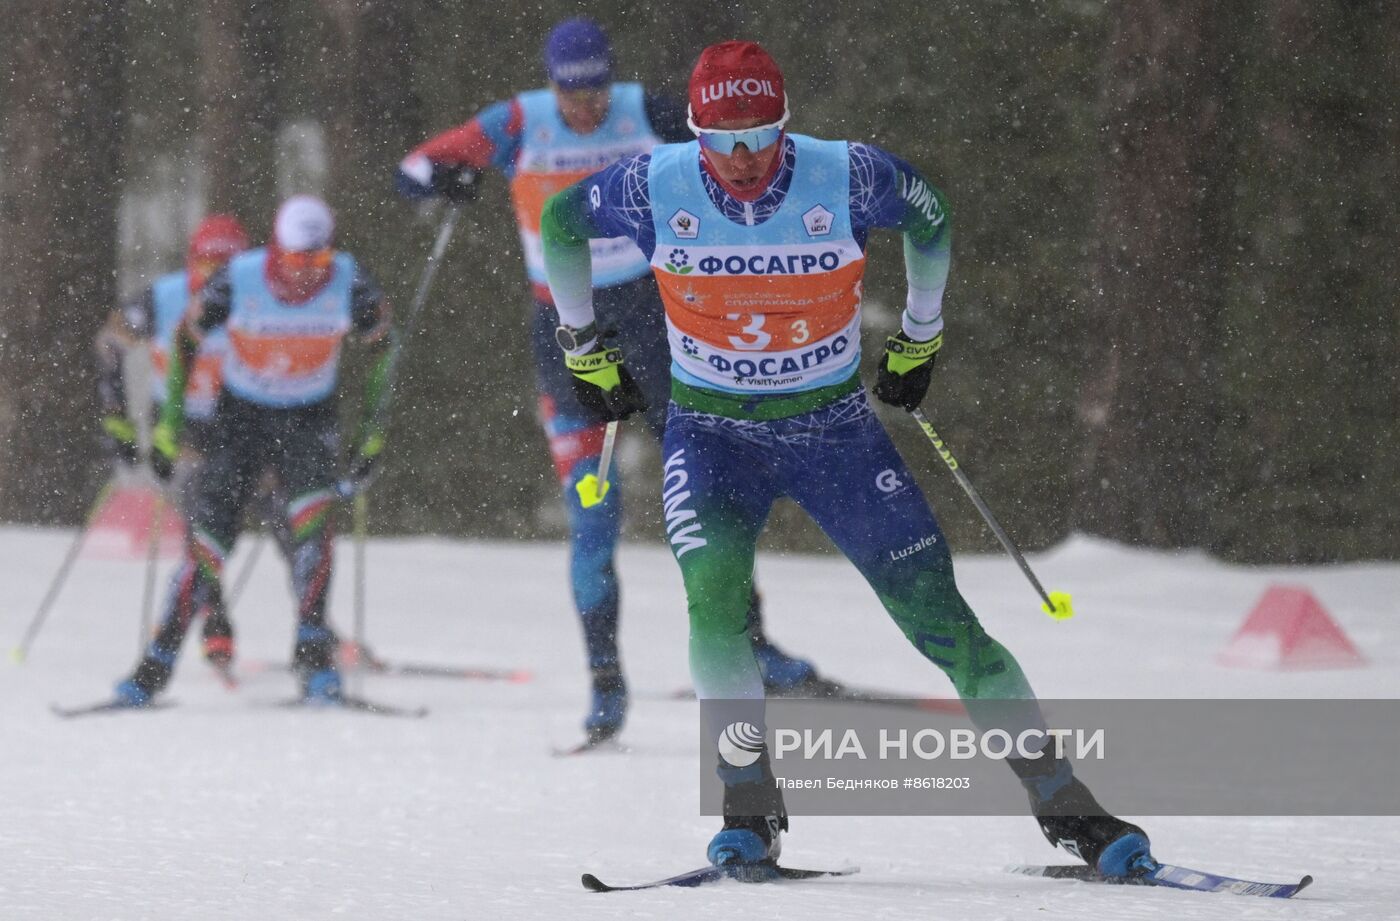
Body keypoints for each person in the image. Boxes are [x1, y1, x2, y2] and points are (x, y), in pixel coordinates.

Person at [540, 40, 1152, 876]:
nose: (745, 156)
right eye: (724, 139)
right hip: (713, 436)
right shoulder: (656, 183)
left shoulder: (849, 175)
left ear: (787, 123)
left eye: (762, 133)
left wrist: (921, 333)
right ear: (693, 134)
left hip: (834, 431)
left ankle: (1068, 803)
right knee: (714, 606)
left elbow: (930, 213)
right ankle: (748, 808)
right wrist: (582, 347)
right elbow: (560, 221)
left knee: (942, 620)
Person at [396, 18, 829, 744]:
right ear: (552, 82)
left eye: (596, 88)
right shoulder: (518, 121)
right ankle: (605, 682)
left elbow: (737, 155)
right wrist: (450, 178)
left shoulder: (646, 110)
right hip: (566, 331)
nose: (587, 106)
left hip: (655, 319)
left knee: (710, 480)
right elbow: (411, 171)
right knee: (592, 511)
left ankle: (754, 642)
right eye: (573, 91)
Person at [111, 195, 394, 706]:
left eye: (318, 260)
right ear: (275, 251)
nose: (306, 273)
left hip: (309, 416)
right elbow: (183, 343)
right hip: (240, 417)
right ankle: (152, 671)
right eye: (294, 259)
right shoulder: (238, 279)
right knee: (209, 545)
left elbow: (383, 349)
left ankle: (317, 665)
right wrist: (170, 428)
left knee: (312, 533)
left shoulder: (350, 282)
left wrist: (373, 432)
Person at [95, 215, 262, 670]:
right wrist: (117, 420)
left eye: (229, 267)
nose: (216, 277)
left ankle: (314, 624)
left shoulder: (259, 299)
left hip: (242, 421)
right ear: (193, 262)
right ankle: (215, 621)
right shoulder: (165, 297)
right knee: (201, 517)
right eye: (208, 266)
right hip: (181, 423)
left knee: (283, 515)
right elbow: (110, 344)